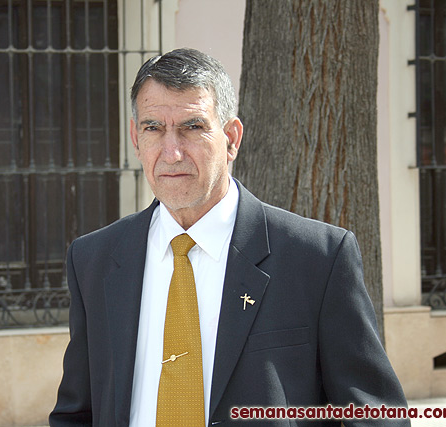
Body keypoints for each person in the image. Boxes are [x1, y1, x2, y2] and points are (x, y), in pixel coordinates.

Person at [50, 48, 409, 426]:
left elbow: (375, 414)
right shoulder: (93, 259)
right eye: (153, 128)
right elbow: (77, 412)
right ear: (135, 139)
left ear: (232, 138)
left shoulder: (316, 258)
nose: (171, 153)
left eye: (192, 126)